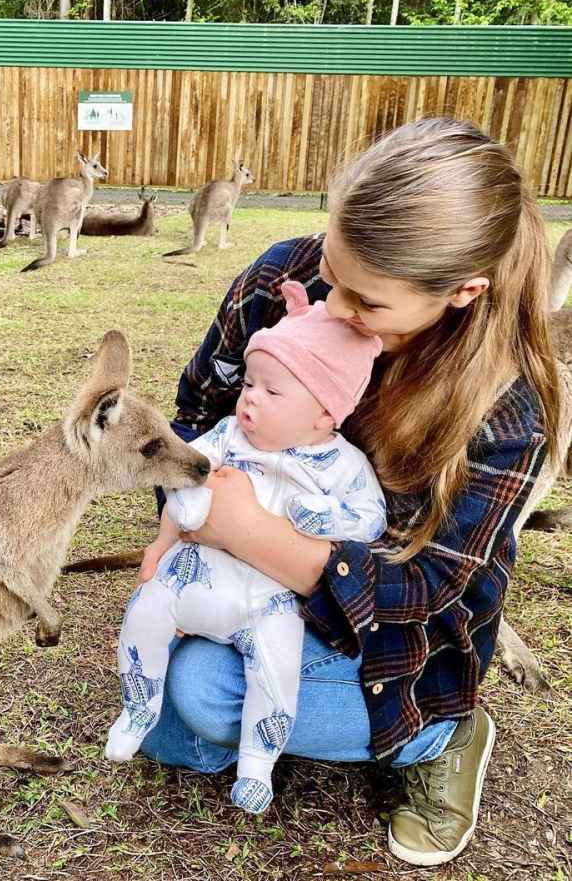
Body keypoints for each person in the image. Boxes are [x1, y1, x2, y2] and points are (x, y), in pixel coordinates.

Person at [137, 117, 561, 868]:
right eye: (333, 274)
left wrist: (244, 533)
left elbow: (428, 586)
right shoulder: (280, 280)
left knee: (200, 692)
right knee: (173, 692)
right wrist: (188, 526)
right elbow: (198, 410)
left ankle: (444, 734)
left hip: (392, 632)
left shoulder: (505, 408)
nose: (332, 309)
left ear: (462, 291)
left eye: (367, 303)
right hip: (251, 575)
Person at [105, 280, 387, 816]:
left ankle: (258, 763)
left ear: (326, 414)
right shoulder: (228, 435)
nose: (251, 397)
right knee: (144, 614)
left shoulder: (342, 465)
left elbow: (369, 519)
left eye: (273, 391)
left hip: (271, 599)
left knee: (273, 672)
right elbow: (183, 476)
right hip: (198, 575)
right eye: (250, 383)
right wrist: (163, 545)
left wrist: (324, 516)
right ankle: (136, 707)